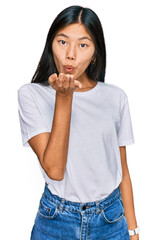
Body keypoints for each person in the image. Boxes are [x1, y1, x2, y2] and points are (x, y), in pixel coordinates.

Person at [17, 5, 140, 240]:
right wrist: (64, 98)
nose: (70, 54)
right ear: (50, 44)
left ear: (95, 53)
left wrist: (133, 231)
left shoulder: (115, 97)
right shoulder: (31, 95)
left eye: (83, 45)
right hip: (56, 221)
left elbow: (122, 170)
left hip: (110, 219)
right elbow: (54, 169)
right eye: (62, 42)